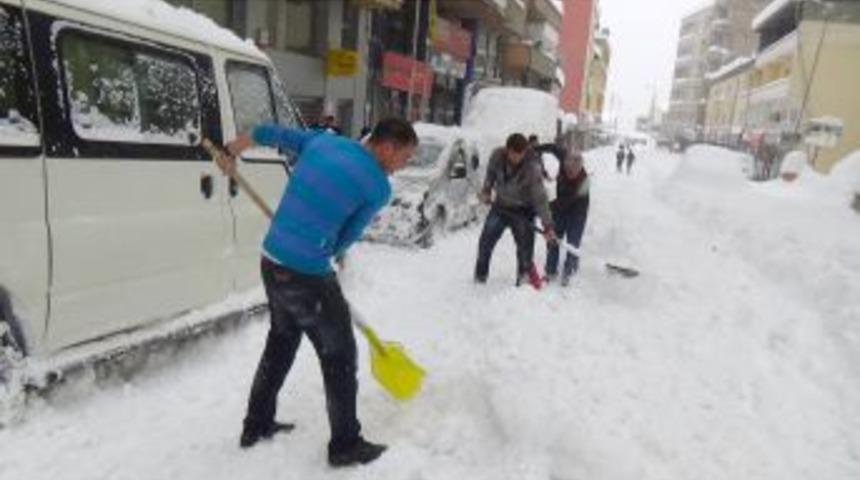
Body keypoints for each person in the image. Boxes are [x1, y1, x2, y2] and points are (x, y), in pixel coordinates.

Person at [223, 118, 418, 467]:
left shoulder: (323, 142)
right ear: (387, 147)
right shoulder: (377, 187)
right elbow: (346, 237)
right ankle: (345, 445)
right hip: (306, 272)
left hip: (271, 258)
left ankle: (256, 424)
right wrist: (328, 255)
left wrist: (234, 149)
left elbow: (268, 132)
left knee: (281, 340)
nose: (402, 166)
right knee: (340, 355)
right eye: (404, 157)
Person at [475, 133, 556, 286]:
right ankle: (480, 277)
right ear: (507, 150)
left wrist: (548, 226)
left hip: (523, 211)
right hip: (501, 206)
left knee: (525, 250)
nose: (517, 158)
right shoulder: (497, 157)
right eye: (514, 154)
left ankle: (523, 281)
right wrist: (486, 191)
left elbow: (540, 198)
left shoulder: (532, 167)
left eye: (521, 154)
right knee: (485, 241)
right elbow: (490, 176)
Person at [544, 151, 590, 286]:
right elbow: (554, 148)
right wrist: (537, 148)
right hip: (560, 212)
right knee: (553, 240)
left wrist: (548, 206)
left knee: (572, 242)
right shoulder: (562, 169)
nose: (570, 174)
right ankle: (550, 270)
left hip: (577, 214)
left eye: (573, 172)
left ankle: (569, 270)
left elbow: (566, 201)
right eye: (568, 170)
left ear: (579, 168)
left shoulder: (584, 182)